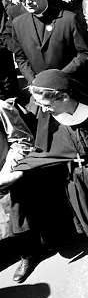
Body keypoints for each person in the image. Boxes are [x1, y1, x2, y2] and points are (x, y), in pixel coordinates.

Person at [16, 69, 88, 291]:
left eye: (47, 104)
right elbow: (45, 152)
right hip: (79, 181)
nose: (43, 109)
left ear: (63, 97)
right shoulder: (49, 119)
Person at [11, 0, 88, 87]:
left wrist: (59, 77)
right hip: (40, 89)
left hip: (71, 86)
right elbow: (21, 58)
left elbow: (85, 53)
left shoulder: (68, 19)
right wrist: (33, 80)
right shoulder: (18, 24)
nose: (27, 2)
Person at [0, 98, 35, 283]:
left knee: (16, 221)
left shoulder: (1, 108)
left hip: (5, 178)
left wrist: (6, 174)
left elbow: (22, 141)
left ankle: (27, 255)